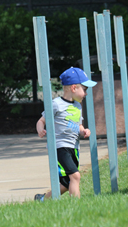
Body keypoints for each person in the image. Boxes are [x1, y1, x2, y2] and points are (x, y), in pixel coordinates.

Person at [34, 67, 96, 201]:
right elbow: (41, 120)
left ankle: (43, 199)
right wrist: (40, 129)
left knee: (67, 182)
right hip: (60, 146)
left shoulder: (77, 106)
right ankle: (77, 205)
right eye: (84, 90)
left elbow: (78, 125)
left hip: (74, 147)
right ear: (74, 88)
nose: (85, 94)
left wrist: (83, 130)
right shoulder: (56, 104)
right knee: (75, 176)